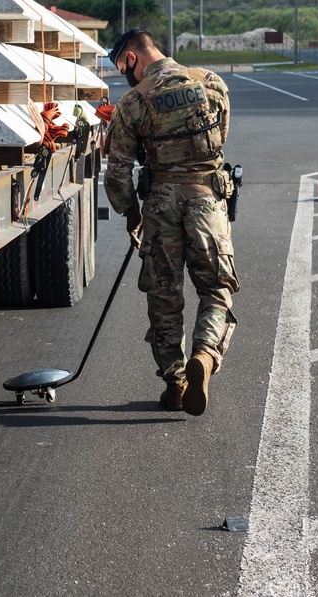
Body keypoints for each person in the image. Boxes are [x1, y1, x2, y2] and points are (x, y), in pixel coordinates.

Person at [103, 29, 238, 416]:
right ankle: (206, 355)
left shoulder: (134, 101)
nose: (126, 76)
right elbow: (220, 139)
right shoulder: (212, 84)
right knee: (215, 288)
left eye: (122, 68)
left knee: (164, 296)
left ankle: (176, 381)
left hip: (161, 205)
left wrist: (132, 212)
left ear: (131, 57)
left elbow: (118, 173)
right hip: (207, 203)